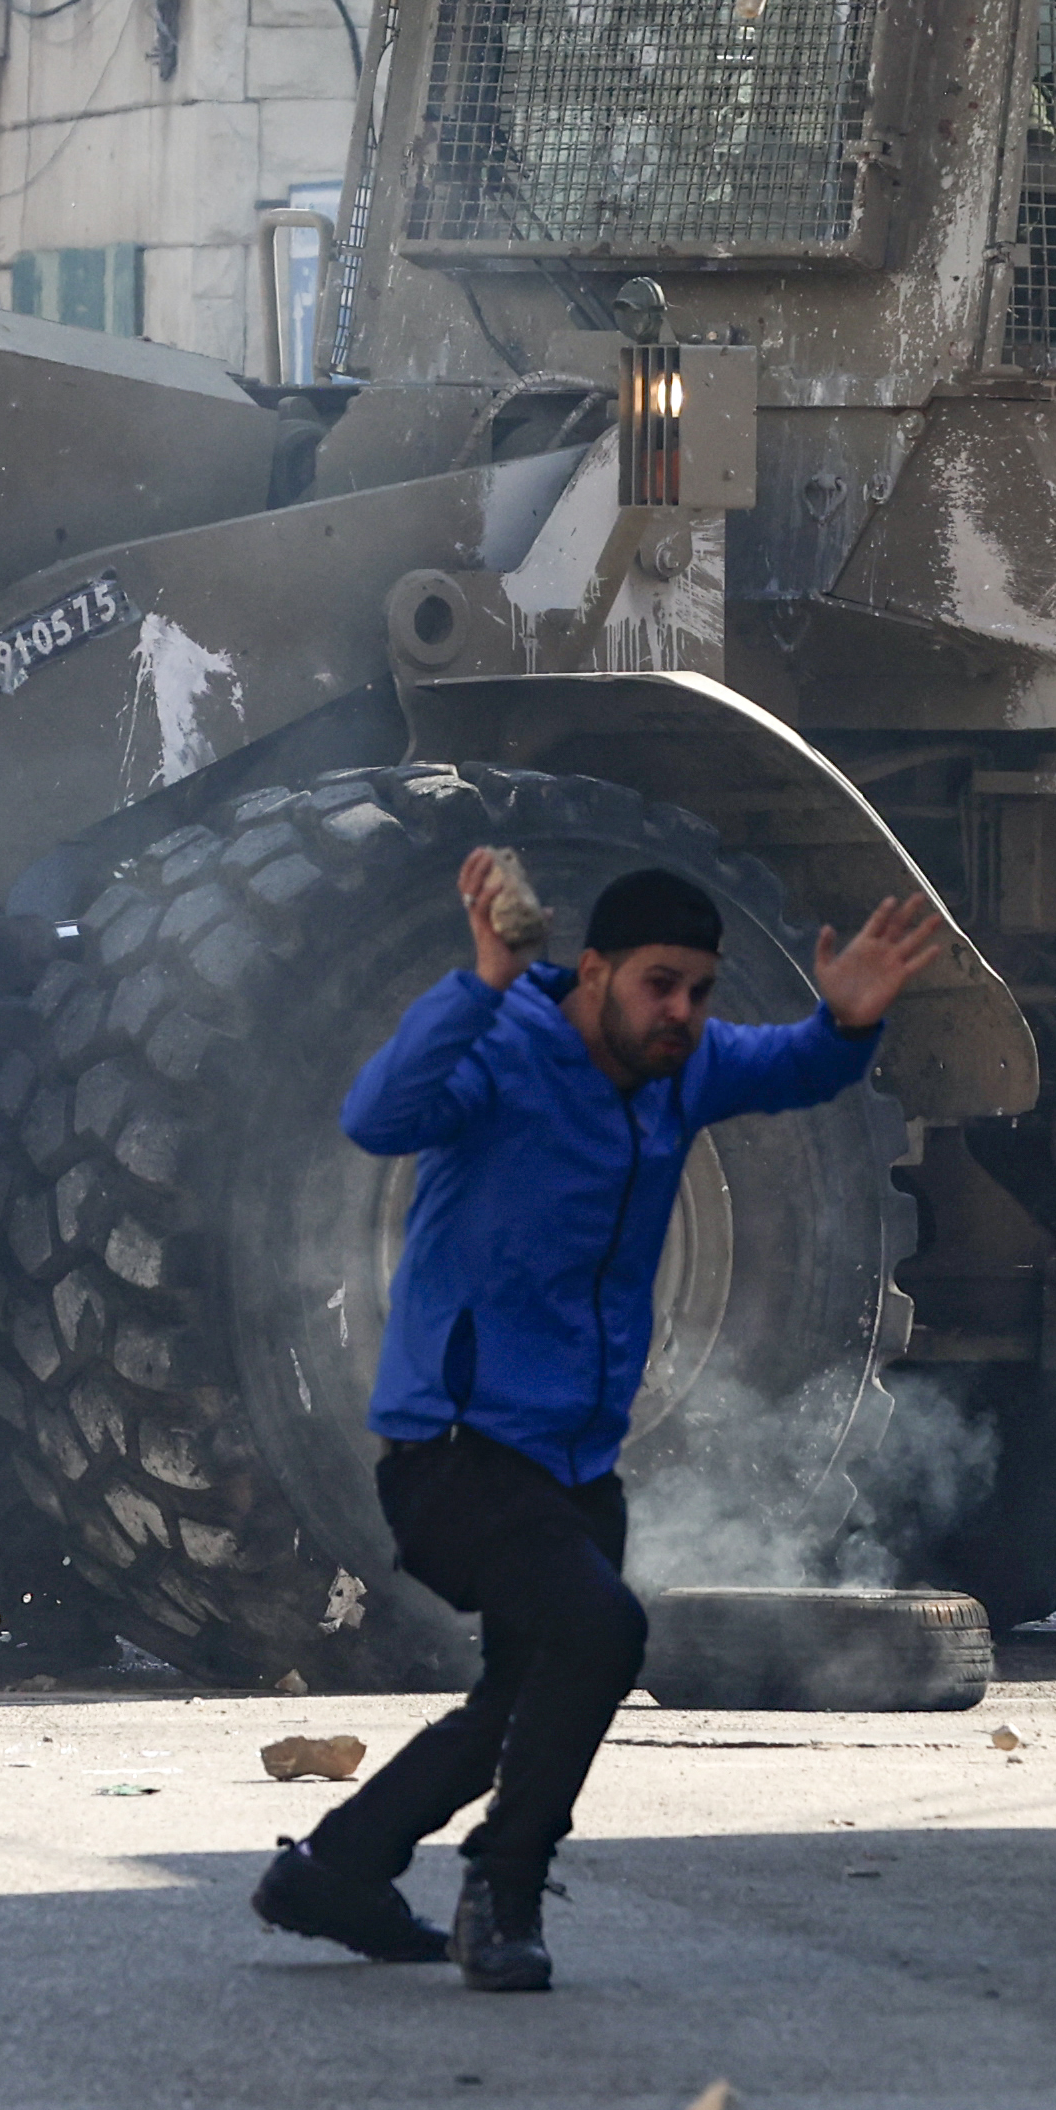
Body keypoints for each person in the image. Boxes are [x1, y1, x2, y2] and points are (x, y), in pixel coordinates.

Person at [254, 852, 950, 1990]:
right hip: (454, 1453)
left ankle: (335, 1871)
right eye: (657, 985)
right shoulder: (504, 1052)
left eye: (698, 992)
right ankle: (505, 1891)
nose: (680, 1012)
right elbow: (378, 1116)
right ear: (593, 973)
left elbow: (793, 1066)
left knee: (521, 1701)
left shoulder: (681, 1069)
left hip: (575, 1465)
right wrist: (480, 983)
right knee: (602, 1634)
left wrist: (845, 1022)